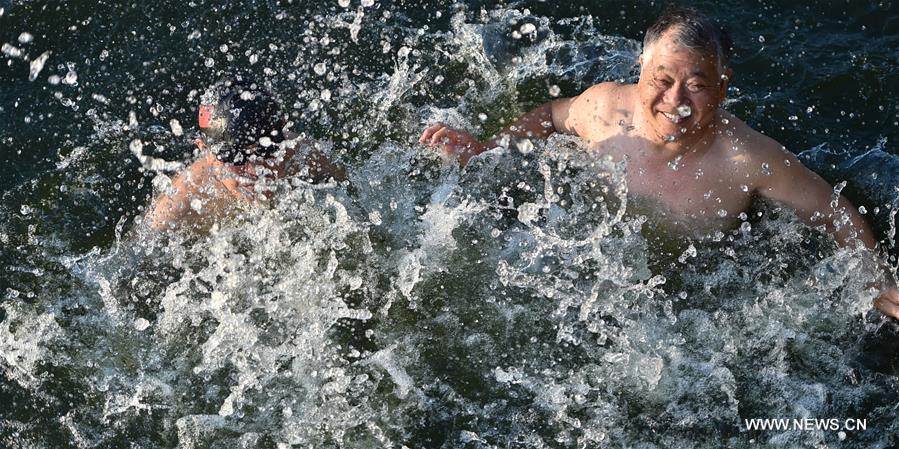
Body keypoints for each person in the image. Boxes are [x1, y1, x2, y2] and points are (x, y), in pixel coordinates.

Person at [419, 8, 899, 319]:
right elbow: (550, 115)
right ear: (642, 71)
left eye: (698, 85)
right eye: (663, 80)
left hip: (681, 301)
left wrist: (878, 282)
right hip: (573, 264)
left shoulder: (748, 159)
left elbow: (834, 212)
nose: (676, 101)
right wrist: (489, 148)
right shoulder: (605, 108)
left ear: (724, 85)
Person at [146, 78, 345, 231]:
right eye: (235, 157)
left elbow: (350, 191)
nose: (254, 170)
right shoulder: (174, 209)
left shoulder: (303, 154)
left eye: (266, 150)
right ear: (206, 150)